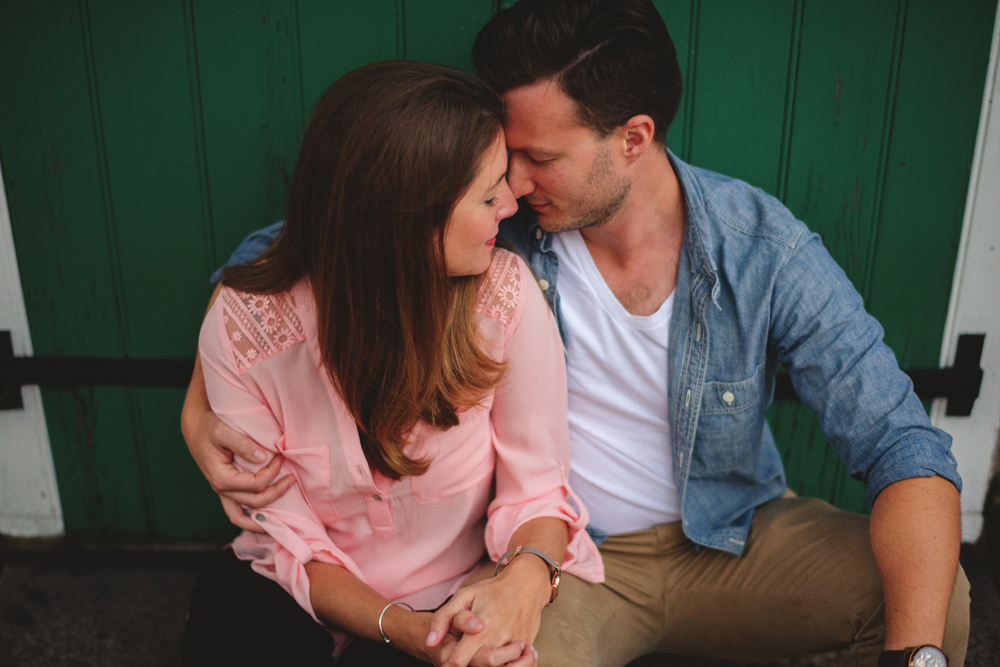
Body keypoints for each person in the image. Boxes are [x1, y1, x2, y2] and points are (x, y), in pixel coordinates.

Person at [182, 1, 971, 666]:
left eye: (537, 157)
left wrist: (918, 657)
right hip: (567, 557)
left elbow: (903, 446)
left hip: (731, 536)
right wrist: (202, 396)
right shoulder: (501, 232)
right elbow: (333, 234)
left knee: (938, 595)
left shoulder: (763, 250)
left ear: (632, 137)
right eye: (504, 161)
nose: (513, 183)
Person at [180, 59, 604, 667]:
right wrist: (402, 628)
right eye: (488, 195)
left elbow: (536, 492)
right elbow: (294, 546)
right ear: (404, 222)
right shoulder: (249, 328)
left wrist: (521, 584)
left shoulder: (503, 301)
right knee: (236, 627)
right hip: (299, 592)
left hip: (457, 591)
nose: (512, 206)